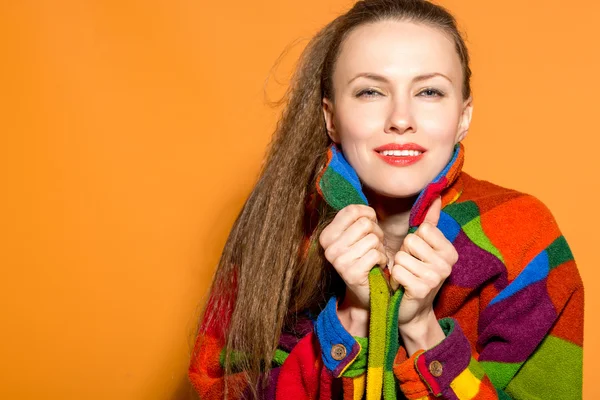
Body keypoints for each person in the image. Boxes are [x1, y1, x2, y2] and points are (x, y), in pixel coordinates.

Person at [188, 0, 584, 398]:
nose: (400, 118)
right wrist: (351, 319)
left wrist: (421, 330)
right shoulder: (275, 231)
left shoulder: (523, 237)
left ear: (463, 116)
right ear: (331, 117)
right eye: (370, 91)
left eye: (429, 91)